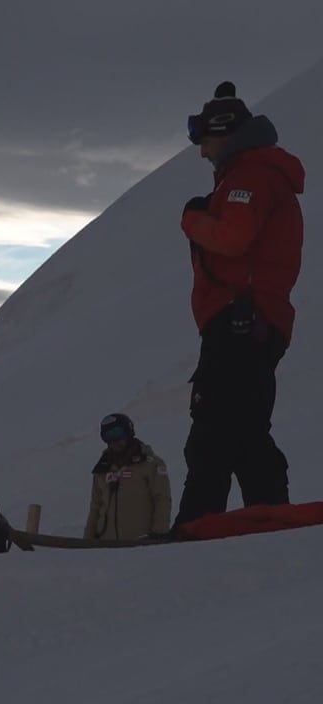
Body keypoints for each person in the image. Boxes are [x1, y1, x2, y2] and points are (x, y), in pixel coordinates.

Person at [173, 82, 304, 528]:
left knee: (213, 427)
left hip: (241, 320)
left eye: (205, 141)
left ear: (224, 134)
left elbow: (233, 238)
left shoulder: (249, 178)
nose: (203, 153)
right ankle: (269, 520)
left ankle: (196, 524)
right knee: (244, 430)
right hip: (254, 320)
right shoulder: (253, 176)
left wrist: (193, 220)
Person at [84, 413, 172, 540]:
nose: (114, 440)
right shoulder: (102, 469)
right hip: (105, 547)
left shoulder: (151, 464)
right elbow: (95, 507)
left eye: (117, 433)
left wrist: (159, 534)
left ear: (128, 432)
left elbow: (162, 500)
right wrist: (88, 541)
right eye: (107, 436)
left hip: (139, 545)